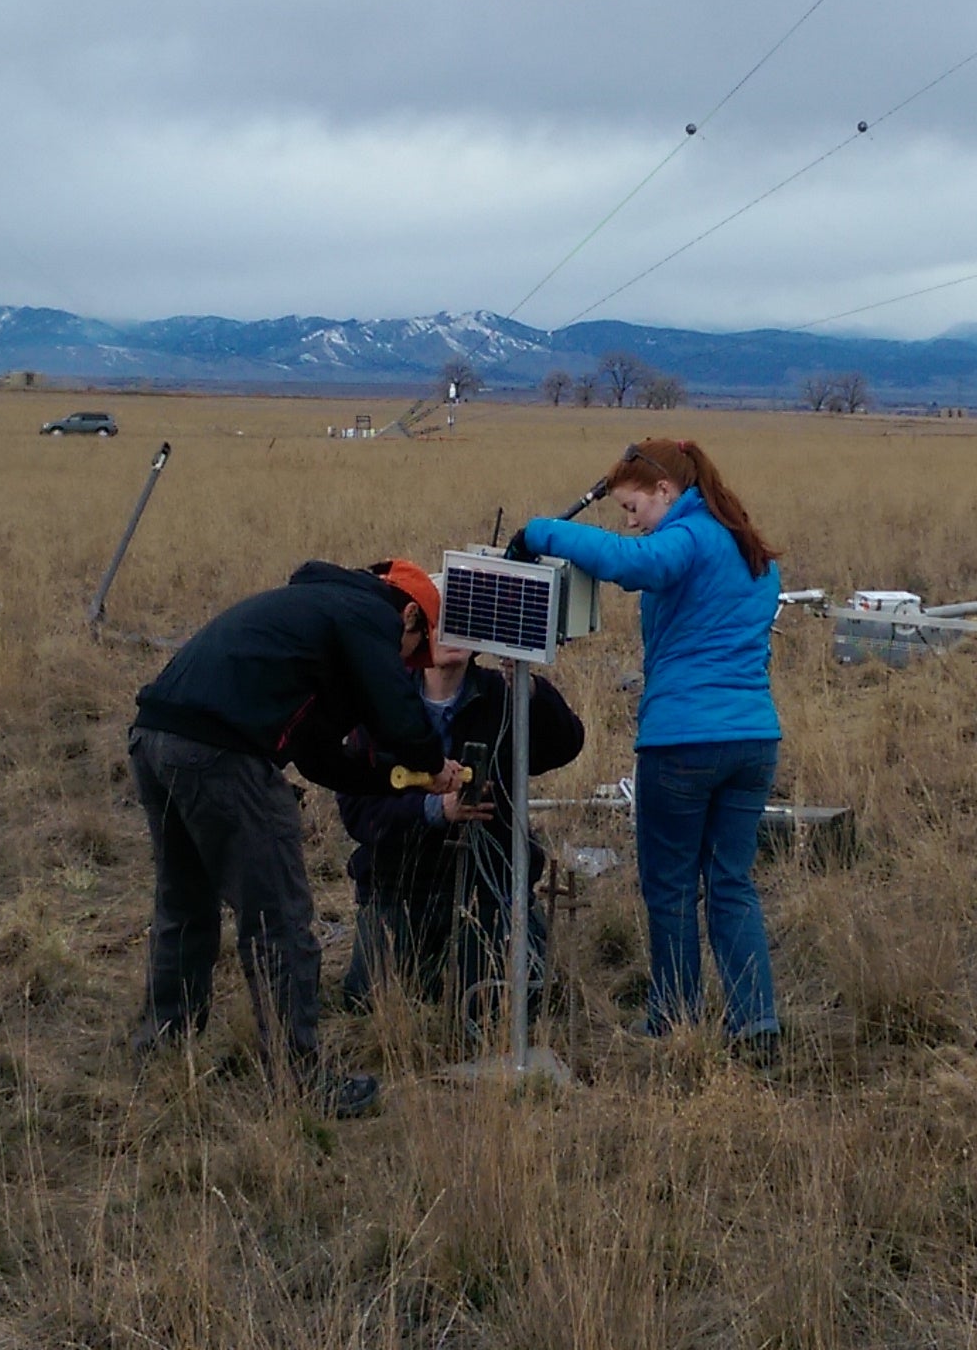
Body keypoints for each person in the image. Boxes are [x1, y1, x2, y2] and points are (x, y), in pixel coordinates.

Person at [128, 557, 451, 1118]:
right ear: (409, 617)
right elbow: (398, 716)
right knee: (278, 918)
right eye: (410, 654)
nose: (405, 665)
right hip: (223, 756)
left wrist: (400, 777)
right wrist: (431, 761)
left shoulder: (316, 618)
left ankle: (162, 1047)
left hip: (155, 740)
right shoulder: (368, 614)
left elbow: (320, 758)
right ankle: (300, 1080)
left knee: (184, 905)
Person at [509, 438, 785, 1057]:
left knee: (671, 887)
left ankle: (674, 1018)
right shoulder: (750, 550)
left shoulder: (688, 537)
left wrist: (539, 532)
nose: (631, 524)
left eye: (633, 508)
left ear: (666, 489)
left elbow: (633, 565)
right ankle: (756, 1024)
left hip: (682, 743)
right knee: (732, 884)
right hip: (754, 741)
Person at [323, 637, 585, 1023]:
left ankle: (516, 935)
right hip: (400, 886)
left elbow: (565, 745)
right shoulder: (382, 700)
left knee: (496, 1008)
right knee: (370, 1001)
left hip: (488, 885)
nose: (452, 636)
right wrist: (435, 809)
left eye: (461, 622)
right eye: (440, 623)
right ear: (418, 631)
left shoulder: (501, 695)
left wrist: (531, 691)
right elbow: (358, 810)